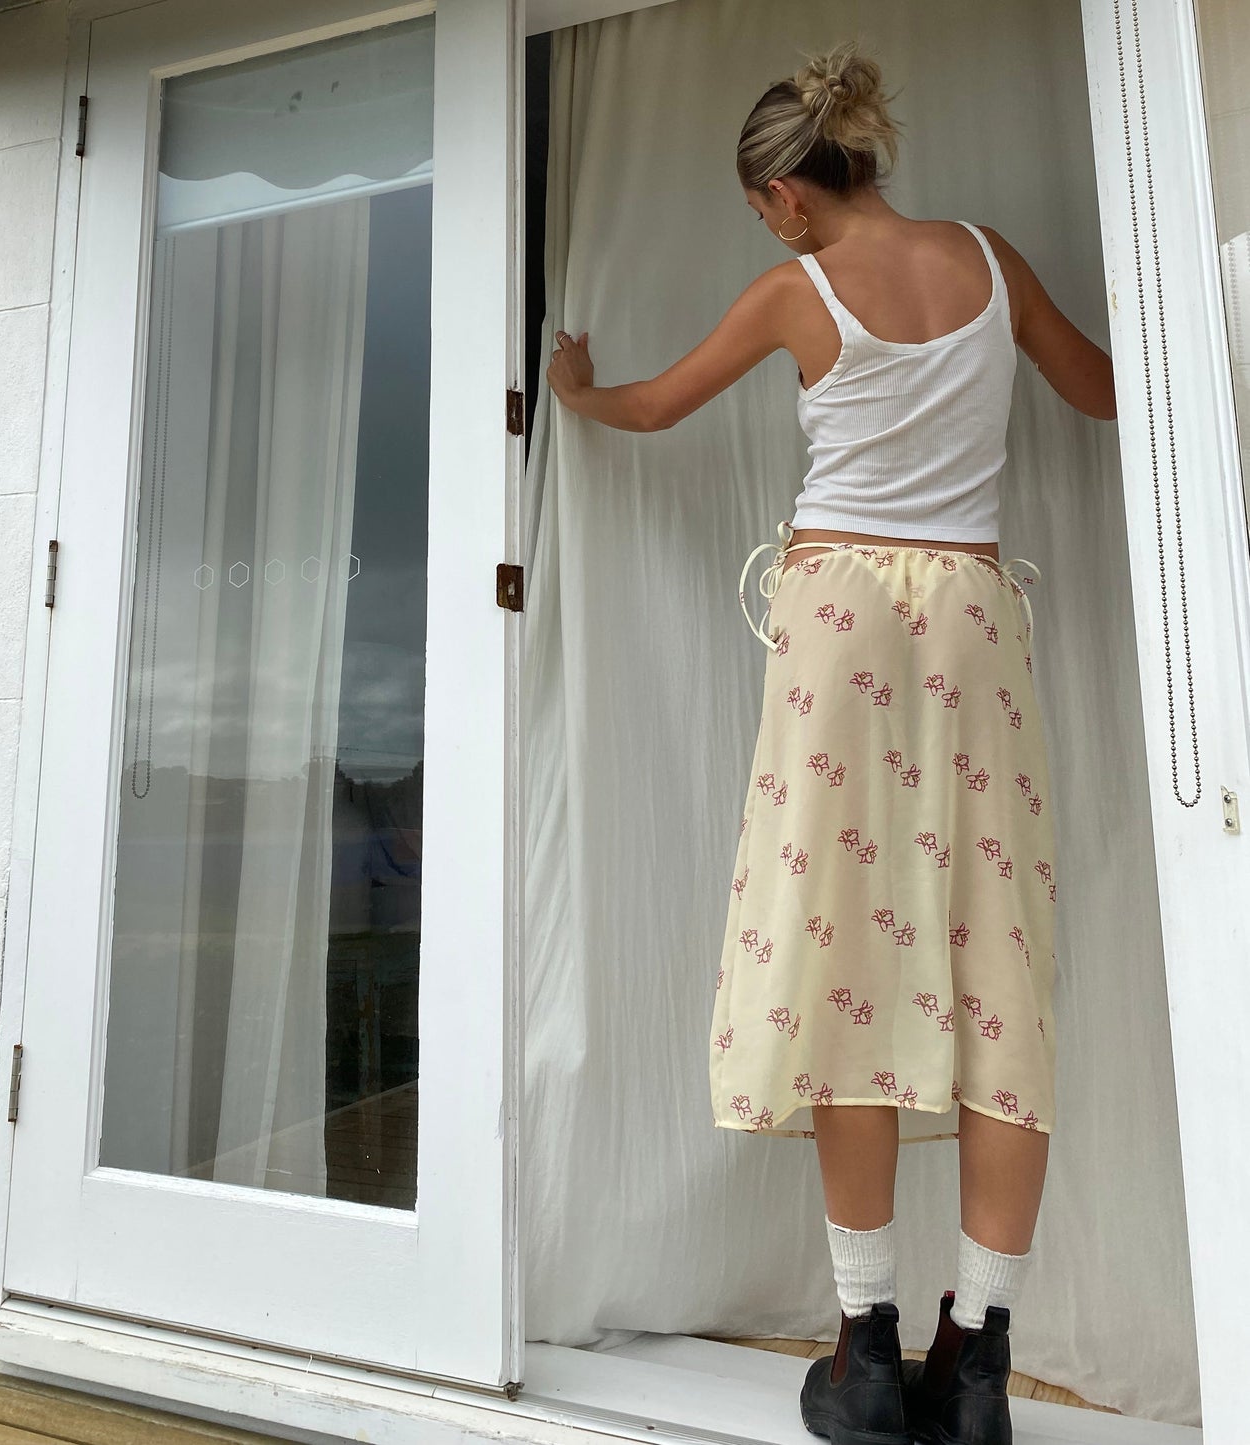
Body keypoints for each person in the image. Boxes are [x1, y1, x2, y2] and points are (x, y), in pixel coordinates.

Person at [545, 38, 1114, 1445]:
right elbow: (1103, 391)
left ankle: (862, 1354)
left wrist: (573, 389)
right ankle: (971, 1362)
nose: (762, 225)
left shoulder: (791, 296)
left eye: (760, 205)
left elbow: (659, 404)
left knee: (842, 959)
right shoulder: (988, 261)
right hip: (974, 617)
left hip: (841, 624)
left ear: (789, 194)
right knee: (994, 967)